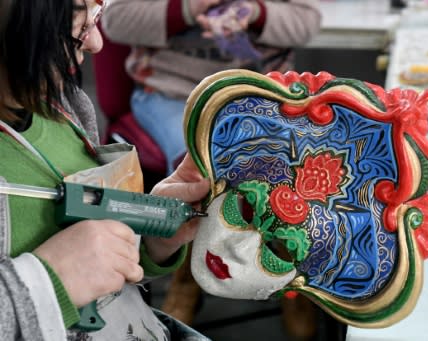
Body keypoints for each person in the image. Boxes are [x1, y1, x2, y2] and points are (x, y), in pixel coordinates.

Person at [0, 0, 211, 340]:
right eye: (77, 25)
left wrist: (151, 232)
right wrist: (47, 281)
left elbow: (99, 268)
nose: (96, 43)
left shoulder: (64, 105)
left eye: (96, 17)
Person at [101, 0, 322, 175]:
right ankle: (188, 230)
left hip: (259, 94)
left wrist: (254, 13)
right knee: (199, 161)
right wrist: (187, 8)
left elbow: (308, 22)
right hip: (171, 92)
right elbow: (115, 20)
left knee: (293, 160)